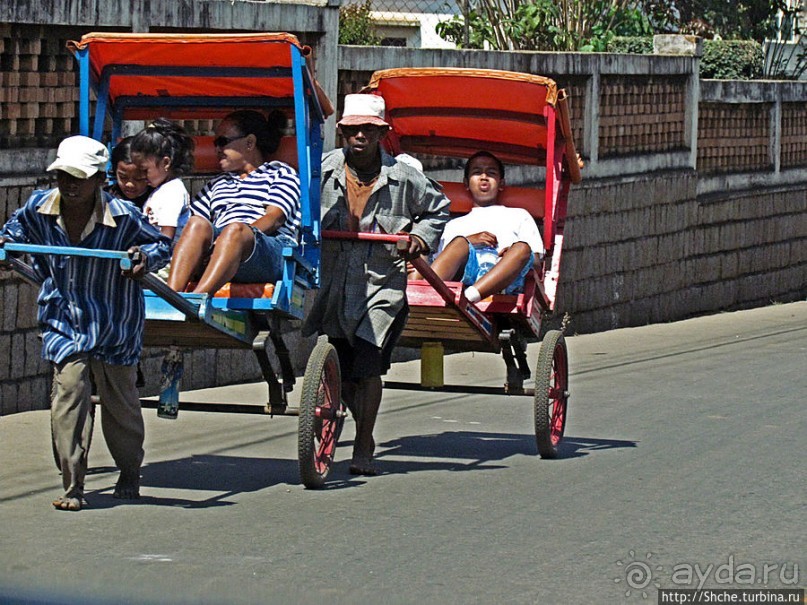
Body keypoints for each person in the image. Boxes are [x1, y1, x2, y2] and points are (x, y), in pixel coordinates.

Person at [0, 135, 171, 511]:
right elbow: (11, 234)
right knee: (69, 395)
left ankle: (129, 471)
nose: (70, 184)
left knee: (120, 406)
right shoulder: (38, 207)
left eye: (79, 177)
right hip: (64, 318)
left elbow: (160, 246)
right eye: (63, 175)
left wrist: (143, 258)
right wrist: (6, 250)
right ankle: (73, 485)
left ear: (99, 178)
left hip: (113, 322)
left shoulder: (124, 216)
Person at [302, 94, 450, 476]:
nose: (360, 137)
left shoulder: (403, 177)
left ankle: (363, 441)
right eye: (352, 130)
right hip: (335, 281)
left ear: (382, 133)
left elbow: (438, 209)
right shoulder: (323, 171)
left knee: (367, 365)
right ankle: (345, 415)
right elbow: (299, 206)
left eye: (368, 129)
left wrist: (418, 238)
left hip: (381, 285)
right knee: (342, 367)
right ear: (342, 133)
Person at [166, 110, 300, 295]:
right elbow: (194, 224)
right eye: (215, 143)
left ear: (250, 143)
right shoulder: (217, 184)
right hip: (223, 245)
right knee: (197, 224)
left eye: (223, 142)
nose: (217, 149)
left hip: (267, 247)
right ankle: (171, 295)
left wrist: (230, 239)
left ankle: (197, 299)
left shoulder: (281, 174)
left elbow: (274, 218)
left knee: (235, 230)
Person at [429, 151, 544, 302]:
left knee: (522, 248)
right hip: (464, 277)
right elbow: (442, 262)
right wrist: (470, 241)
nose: (484, 177)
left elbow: (536, 261)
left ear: (501, 183)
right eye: (477, 172)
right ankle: (429, 295)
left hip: (505, 280)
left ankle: (469, 299)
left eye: (491, 173)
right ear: (466, 183)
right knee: (459, 243)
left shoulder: (519, 215)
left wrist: (512, 254)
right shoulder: (454, 225)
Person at [129, 118, 193, 245]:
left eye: (145, 170)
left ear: (166, 163)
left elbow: (167, 234)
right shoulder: (161, 190)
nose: (142, 176)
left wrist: (156, 255)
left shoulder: (172, 191)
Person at [105, 136, 152, 210]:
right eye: (123, 177)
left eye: (138, 179)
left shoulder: (159, 200)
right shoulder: (106, 200)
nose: (129, 184)